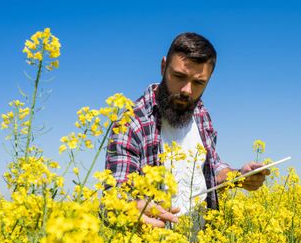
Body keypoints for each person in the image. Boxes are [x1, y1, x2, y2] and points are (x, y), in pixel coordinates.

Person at [105, 32, 269, 228]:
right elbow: (113, 198)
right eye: (179, 76)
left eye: (199, 83)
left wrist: (237, 177)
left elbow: (210, 167)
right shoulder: (131, 122)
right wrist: (128, 208)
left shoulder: (200, 113)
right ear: (163, 67)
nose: (187, 91)